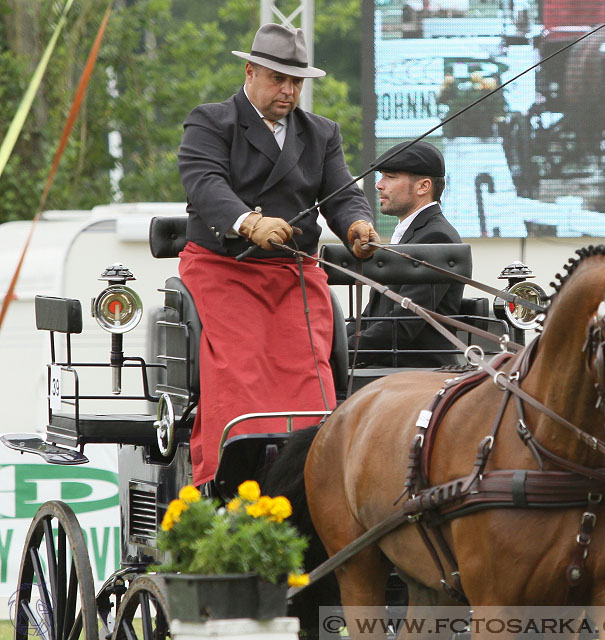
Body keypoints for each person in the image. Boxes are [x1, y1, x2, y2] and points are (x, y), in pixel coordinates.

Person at [177, 23, 380, 486]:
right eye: (278, 79)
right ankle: (231, 484)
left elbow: (342, 195)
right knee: (240, 377)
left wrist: (356, 226)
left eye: (296, 82)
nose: (288, 91)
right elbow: (205, 185)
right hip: (225, 268)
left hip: (293, 274)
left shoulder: (321, 132)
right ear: (250, 72)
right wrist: (249, 222)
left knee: (311, 381)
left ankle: (313, 484)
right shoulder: (210, 121)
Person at [347, 141, 463, 367]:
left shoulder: (436, 237)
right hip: (392, 367)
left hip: (416, 375)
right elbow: (370, 318)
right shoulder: (413, 232)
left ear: (423, 187)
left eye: (390, 177)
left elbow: (404, 324)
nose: (379, 185)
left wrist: (342, 352)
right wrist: (329, 343)